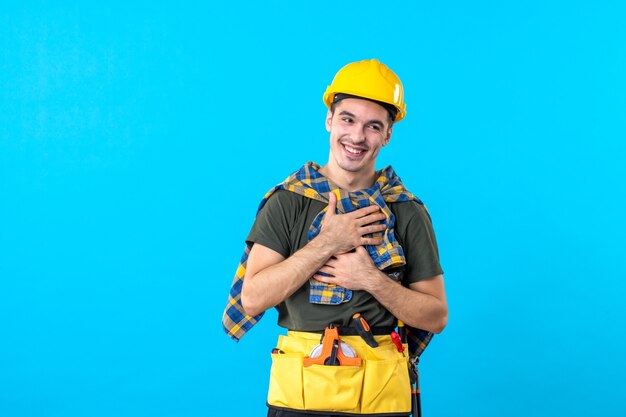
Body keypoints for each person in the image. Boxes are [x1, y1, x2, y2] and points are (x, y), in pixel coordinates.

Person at [223, 58, 447, 417]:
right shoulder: (288, 202)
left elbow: (435, 316)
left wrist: (370, 279)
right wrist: (327, 242)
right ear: (329, 119)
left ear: (388, 135)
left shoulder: (406, 211)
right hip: (300, 398)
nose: (357, 136)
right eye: (348, 119)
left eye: (373, 126)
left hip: (380, 399)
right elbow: (251, 300)